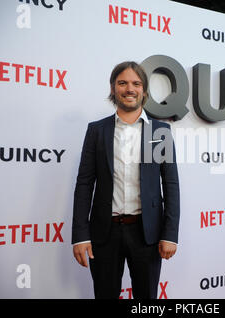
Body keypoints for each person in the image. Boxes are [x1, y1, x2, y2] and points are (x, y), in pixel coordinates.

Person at [71, 61, 180, 299]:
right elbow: (84, 184)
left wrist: (169, 233)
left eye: (136, 83)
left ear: (144, 91)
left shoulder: (159, 132)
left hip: (147, 234)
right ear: (113, 89)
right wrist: (80, 235)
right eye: (122, 83)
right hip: (104, 233)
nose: (129, 88)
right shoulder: (96, 131)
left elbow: (170, 184)